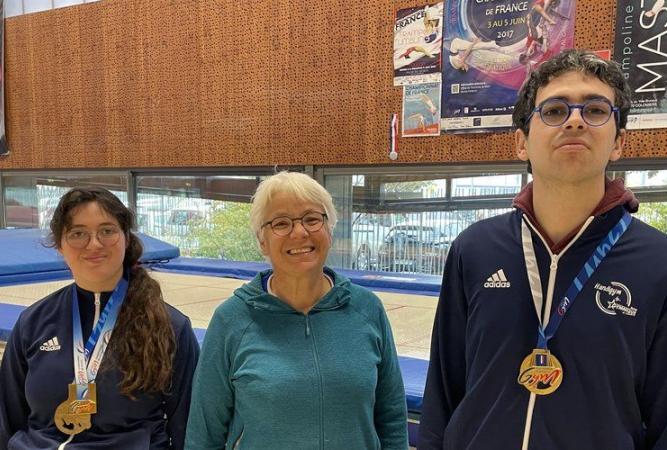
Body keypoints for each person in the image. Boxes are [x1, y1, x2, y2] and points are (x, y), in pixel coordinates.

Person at [419, 49, 667, 449]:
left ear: (618, 141)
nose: (574, 120)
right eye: (553, 111)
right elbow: (443, 392)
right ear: (522, 142)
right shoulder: (474, 249)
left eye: (595, 110)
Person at [185, 171, 408, 449]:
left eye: (312, 219)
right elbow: (203, 435)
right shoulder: (232, 320)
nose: (300, 232)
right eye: (281, 223)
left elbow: (392, 421)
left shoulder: (367, 309)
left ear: (329, 229)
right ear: (261, 241)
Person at [0, 187, 200, 450]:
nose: (94, 244)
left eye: (107, 231)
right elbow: (8, 419)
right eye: (78, 233)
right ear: (60, 245)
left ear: (126, 239)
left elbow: (189, 427)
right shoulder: (33, 322)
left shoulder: (171, 327)